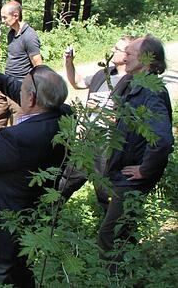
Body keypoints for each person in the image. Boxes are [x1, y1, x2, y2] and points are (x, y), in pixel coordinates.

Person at [0, 65, 69, 287]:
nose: (19, 91)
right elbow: (33, 92)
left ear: (31, 99)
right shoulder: (64, 116)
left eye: (24, 90)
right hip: (29, 215)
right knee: (19, 273)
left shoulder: (16, 138)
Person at [98, 35, 173, 264]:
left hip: (132, 178)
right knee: (123, 230)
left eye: (130, 54)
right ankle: (130, 271)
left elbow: (162, 140)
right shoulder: (136, 84)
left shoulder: (152, 92)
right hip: (123, 171)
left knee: (108, 234)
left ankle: (117, 278)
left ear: (147, 58)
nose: (125, 58)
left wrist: (145, 169)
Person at [57, 36, 134, 208]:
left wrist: (100, 109)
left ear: (129, 55)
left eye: (118, 48)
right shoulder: (104, 73)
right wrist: (69, 62)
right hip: (88, 139)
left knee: (105, 191)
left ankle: (110, 229)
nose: (113, 50)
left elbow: (127, 121)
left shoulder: (133, 83)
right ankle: (49, 218)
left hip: (109, 146)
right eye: (114, 46)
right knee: (66, 181)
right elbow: (78, 83)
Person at [0, 0, 43, 141]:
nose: (2, 21)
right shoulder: (11, 33)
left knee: (19, 128)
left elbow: (38, 66)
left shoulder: (30, 36)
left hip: (20, 88)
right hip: (4, 85)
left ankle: (19, 161)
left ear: (15, 16)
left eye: (4, 17)